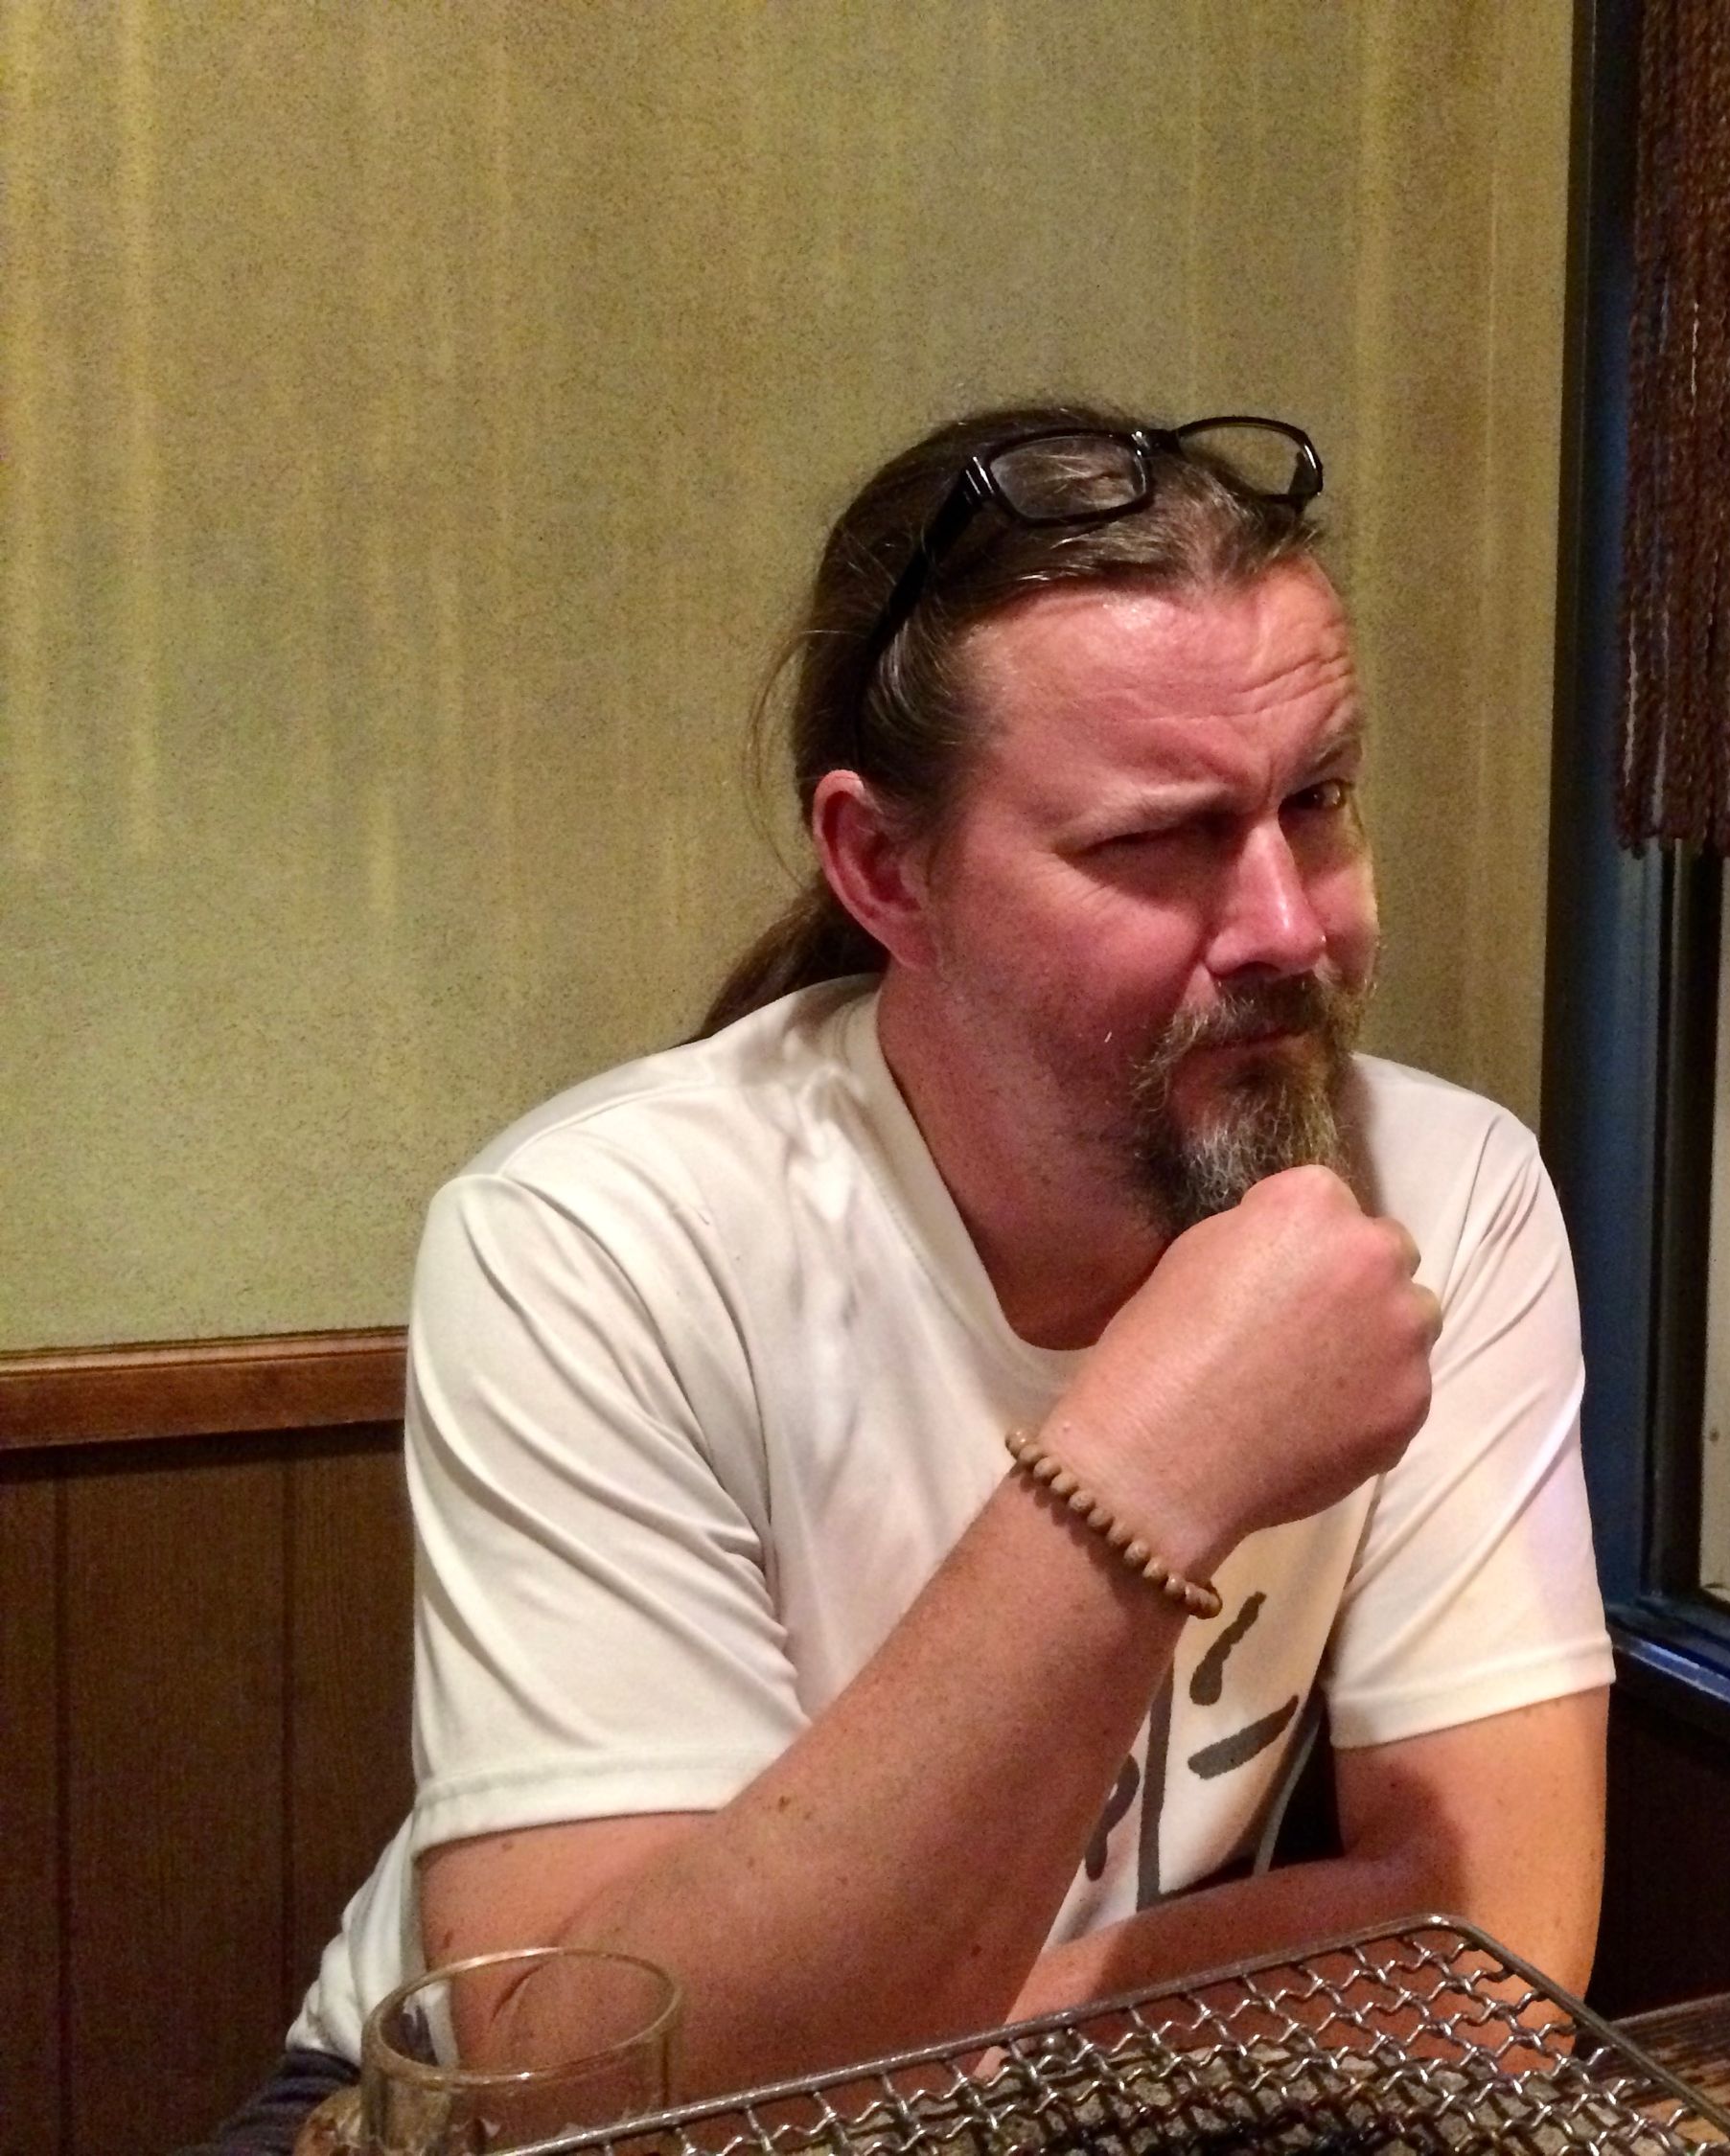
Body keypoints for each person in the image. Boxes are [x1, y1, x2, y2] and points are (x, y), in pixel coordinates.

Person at [206, 404, 1611, 2146]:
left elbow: (1497, 1955)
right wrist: (1149, 1468)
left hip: (1086, 2112)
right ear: (887, 869)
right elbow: (580, 2102)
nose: (1289, 926)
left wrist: (851, 2045)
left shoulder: (1447, 1190)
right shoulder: (595, 1235)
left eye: (1316, 800)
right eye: (1153, 840)